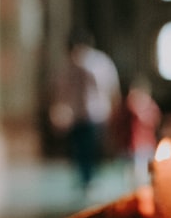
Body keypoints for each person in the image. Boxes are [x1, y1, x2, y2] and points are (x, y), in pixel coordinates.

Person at [50, 31, 121, 193]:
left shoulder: (100, 63)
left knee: (92, 147)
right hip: (75, 115)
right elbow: (60, 90)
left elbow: (111, 87)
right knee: (78, 148)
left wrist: (114, 108)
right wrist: (59, 109)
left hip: (95, 113)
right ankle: (83, 177)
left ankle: (92, 177)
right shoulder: (68, 66)